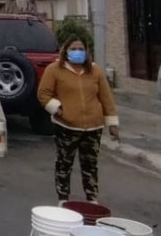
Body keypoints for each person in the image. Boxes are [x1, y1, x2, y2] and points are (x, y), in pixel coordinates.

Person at [37, 37, 119, 204]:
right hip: (67, 126)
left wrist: (112, 123)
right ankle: (63, 198)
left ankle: (92, 198)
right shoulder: (55, 69)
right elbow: (43, 94)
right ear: (66, 50)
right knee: (64, 164)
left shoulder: (95, 71)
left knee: (90, 165)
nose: (77, 52)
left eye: (81, 49)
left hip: (93, 127)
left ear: (86, 51)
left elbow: (106, 97)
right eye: (73, 48)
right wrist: (57, 109)